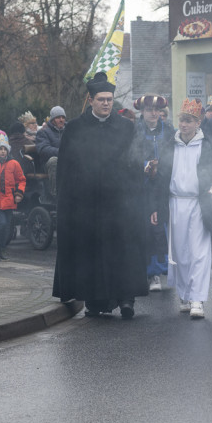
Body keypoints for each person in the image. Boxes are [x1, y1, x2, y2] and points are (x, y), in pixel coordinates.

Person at [52, 72, 149, 318]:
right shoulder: (74, 128)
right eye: (101, 99)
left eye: (109, 99)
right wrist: (65, 203)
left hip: (121, 203)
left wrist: (138, 198)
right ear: (91, 100)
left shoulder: (126, 127)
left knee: (123, 251)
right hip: (88, 205)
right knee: (93, 253)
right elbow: (65, 168)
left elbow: (136, 165)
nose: (106, 103)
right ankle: (96, 301)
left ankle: (127, 298)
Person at [153, 99, 212, 319]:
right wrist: (156, 206)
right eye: (182, 120)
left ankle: (197, 299)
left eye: (189, 121)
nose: (184, 125)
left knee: (199, 252)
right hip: (175, 203)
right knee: (179, 252)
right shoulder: (170, 146)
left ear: (198, 122)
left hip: (198, 203)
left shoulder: (207, 146)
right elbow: (161, 179)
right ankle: (184, 295)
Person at [134, 94, 174, 292]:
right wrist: (144, 166)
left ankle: (164, 269)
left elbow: (176, 155)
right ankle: (152, 273)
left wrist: (163, 168)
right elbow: (128, 157)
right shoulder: (134, 131)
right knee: (148, 228)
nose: (154, 113)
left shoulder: (169, 131)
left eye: (157, 110)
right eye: (149, 110)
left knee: (163, 228)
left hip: (164, 185)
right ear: (142, 111)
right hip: (142, 187)